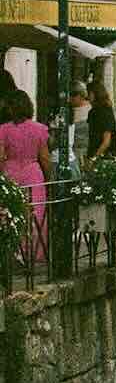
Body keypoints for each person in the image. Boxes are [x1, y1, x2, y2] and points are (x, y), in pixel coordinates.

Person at [0, 91, 50, 262]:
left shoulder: (3, 129)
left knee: (11, 213)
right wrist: (49, 177)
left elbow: (0, 157)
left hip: (10, 173)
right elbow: (44, 157)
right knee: (35, 214)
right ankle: (33, 253)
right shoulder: (39, 129)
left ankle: (13, 252)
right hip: (32, 173)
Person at [86, 84, 116, 163]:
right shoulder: (93, 112)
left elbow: (106, 141)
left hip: (105, 158)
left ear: (94, 94)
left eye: (88, 94)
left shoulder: (104, 111)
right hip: (95, 155)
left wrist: (94, 158)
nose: (87, 98)